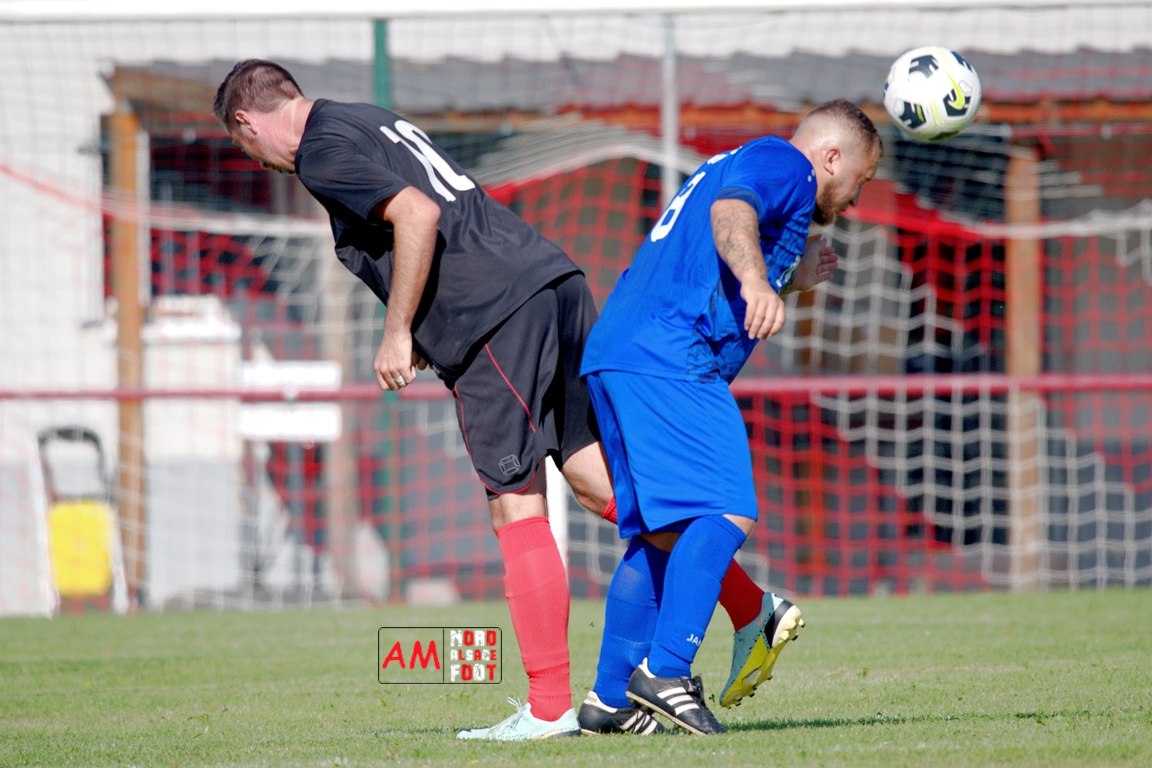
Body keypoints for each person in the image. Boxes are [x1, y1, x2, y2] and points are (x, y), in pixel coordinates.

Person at [213, 58, 800, 741]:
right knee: (601, 487)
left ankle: (548, 709)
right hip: (552, 285)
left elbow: (417, 214)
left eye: (242, 145)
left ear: (247, 121)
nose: (254, 159)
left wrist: (398, 331)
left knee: (514, 504)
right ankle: (750, 607)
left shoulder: (319, 151)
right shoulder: (363, 117)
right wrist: (422, 321)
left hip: (492, 315)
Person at [578, 99, 882, 734]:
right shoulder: (788, 163)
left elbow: (710, 247)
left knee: (660, 533)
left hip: (619, 353)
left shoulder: (741, 162)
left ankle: (608, 700)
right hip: (670, 355)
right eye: (863, 178)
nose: (858, 197)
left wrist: (781, 275)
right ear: (832, 157)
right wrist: (758, 282)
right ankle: (667, 672)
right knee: (727, 508)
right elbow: (730, 213)